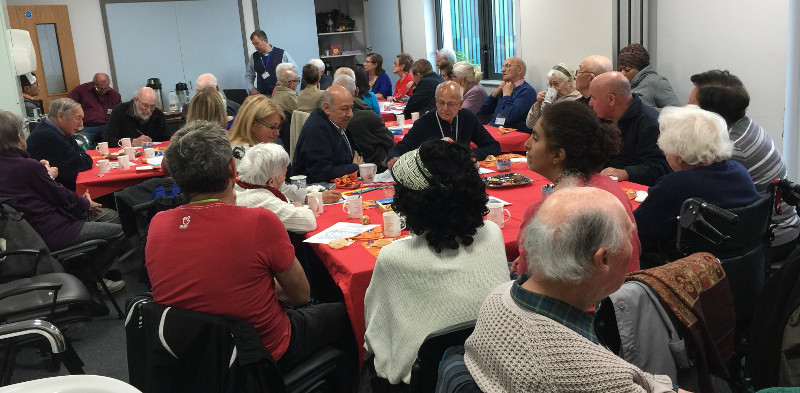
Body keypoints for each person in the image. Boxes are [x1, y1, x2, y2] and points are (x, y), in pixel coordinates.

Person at [145, 120, 351, 379]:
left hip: (190, 358)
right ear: (233, 169)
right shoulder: (260, 221)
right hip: (259, 354)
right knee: (347, 313)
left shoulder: (158, 224)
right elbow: (300, 295)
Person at [440, 187, 678, 393]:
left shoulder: (499, 296)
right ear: (603, 259)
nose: (633, 243)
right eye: (629, 234)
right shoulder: (595, 376)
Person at [364, 140, 509, 387]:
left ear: (410, 201)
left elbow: (374, 334)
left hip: (423, 380)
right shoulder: (493, 233)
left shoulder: (393, 257)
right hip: (491, 368)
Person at [1, 109, 126, 313]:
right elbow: (60, 197)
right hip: (52, 230)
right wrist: (85, 203)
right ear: (17, 137)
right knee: (117, 231)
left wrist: (44, 174)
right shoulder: (27, 167)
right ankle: (84, 280)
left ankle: (84, 277)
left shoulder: (21, 165)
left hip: (23, 235)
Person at [511, 100, 640, 276]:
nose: (526, 145)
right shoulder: (611, 187)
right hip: (626, 288)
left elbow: (527, 279)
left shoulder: (546, 211)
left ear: (558, 155)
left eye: (535, 138)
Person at [689, 69, 800, 260]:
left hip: (771, 238)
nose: (684, 109)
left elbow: (704, 197)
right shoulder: (744, 125)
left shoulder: (731, 149)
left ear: (711, 115)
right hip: (781, 227)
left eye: (691, 106)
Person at [634, 106, 759, 266]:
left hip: (689, 270)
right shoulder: (740, 171)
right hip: (743, 264)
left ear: (680, 155)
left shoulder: (676, 185)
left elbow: (638, 231)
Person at [229, 95, 341, 204]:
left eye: (278, 127)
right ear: (253, 124)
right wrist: (311, 197)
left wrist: (310, 196)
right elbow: (272, 190)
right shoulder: (241, 153)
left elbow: (279, 187)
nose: (277, 133)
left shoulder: (246, 149)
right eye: (272, 127)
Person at [386, 81, 499, 167]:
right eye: (441, 103)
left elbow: (493, 146)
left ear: (460, 104)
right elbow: (402, 147)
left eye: (450, 104)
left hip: (462, 174)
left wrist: (470, 155)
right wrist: (394, 157)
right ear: (435, 101)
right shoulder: (425, 122)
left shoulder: (467, 118)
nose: (444, 108)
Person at [589, 72, 670, 186]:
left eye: (593, 98)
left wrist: (626, 173)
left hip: (634, 188)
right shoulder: (602, 117)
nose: (590, 103)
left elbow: (661, 167)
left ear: (611, 99)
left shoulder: (650, 124)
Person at [236, 143, 316, 234]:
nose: (284, 179)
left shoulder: (237, 185)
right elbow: (308, 221)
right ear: (272, 182)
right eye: (284, 174)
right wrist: (298, 207)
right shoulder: (258, 199)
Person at [292, 85, 363, 183]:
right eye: (344, 109)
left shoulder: (335, 122)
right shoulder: (317, 130)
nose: (351, 114)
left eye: (351, 108)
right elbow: (321, 173)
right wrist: (354, 167)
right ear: (327, 108)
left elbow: (355, 154)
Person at [25, 98, 92, 191]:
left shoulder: (59, 130)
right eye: (78, 118)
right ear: (60, 116)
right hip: (49, 192)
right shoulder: (48, 136)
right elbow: (82, 164)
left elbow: (80, 152)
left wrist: (81, 155)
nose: (81, 124)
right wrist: (82, 156)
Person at [333, 74, 394, 172]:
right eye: (344, 109)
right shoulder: (369, 116)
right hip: (371, 168)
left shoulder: (327, 118)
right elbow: (389, 141)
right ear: (356, 91)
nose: (349, 115)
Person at [479, 57, 536, 133]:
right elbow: (484, 110)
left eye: (507, 66)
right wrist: (495, 93)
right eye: (503, 66)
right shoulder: (504, 87)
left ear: (519, 70)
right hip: (494, 127)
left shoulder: (527, 91)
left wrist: (507, 95)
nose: (502, 70)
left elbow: (509, 118)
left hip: (511, 132)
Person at [617, 43, 681, 110]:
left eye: (627, 70)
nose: (622, 73)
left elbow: (677, 111)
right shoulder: (620, 84)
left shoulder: (656, 83)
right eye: (620, 70)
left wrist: (646, 112)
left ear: (640, 68)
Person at [69, 72, 122, 145]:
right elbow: (68, 105)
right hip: (86, 127)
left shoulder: (114, 95)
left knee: (117, 140)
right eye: (100, 88)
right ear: (93, 84)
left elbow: (119, 113)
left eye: (106, 88)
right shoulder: (81, 90)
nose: (103, 91)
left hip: (106, 126)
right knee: (81, 142)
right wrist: (76, 123)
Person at [525, 63, 582, 129]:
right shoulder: (549, 98)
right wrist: (538, 104)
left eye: (556, 84)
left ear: (569, 81)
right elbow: (530, 124)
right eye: (550, 85)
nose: (552, 88)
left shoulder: (579, 99)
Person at [246, 30, 297, 96]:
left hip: (280, 95)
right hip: (262, 96)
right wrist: (251, 88)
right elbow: (249, 75)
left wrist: (292, 90)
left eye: (257, 43)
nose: (255, 46)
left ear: (265, 41)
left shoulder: (281, 54)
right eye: (253, 44)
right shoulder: (254, 57)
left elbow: (296, 72)